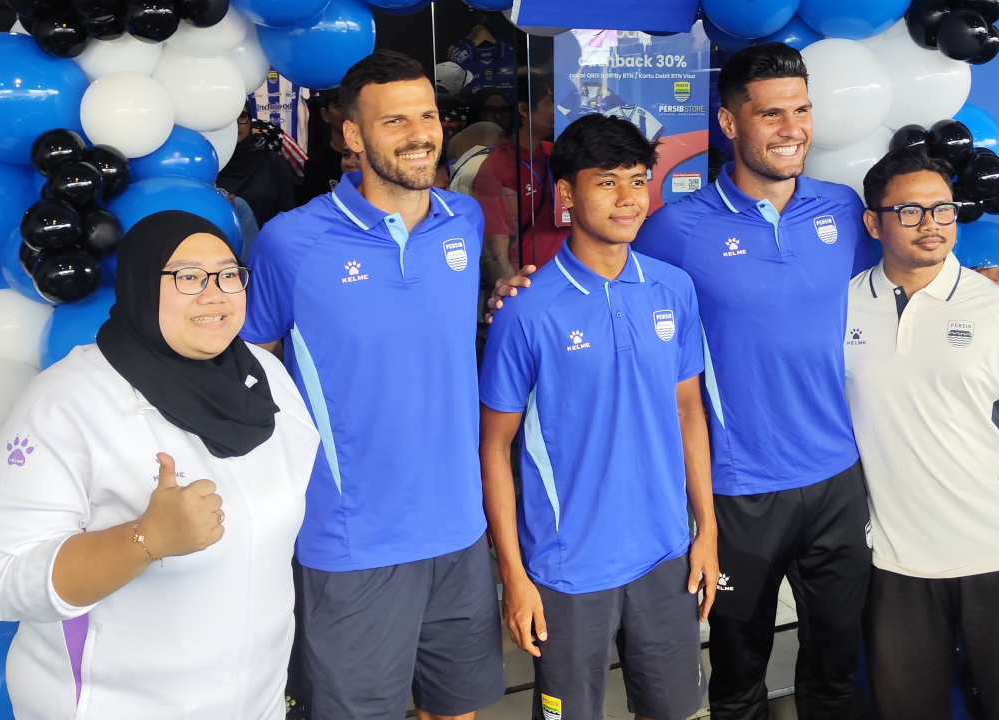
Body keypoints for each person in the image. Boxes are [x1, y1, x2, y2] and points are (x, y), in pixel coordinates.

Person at [489, 42, 999, 720]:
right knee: (738, 675)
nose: (792, 128)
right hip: (738, 490)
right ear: (729, 123)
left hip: (839, 480)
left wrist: (993, 280)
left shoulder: (843, 211)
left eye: (802, 110)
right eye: (771, 113)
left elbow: (917, 253)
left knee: (836, 668)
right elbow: (602, 266)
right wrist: (516, 288)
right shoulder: (673, 229)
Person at [0, 211, 320, 719]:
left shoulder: (266, 379)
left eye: (228, 274)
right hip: (112, 705)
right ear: (138, 284)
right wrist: (145, 539)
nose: (215, 293)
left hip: (253, 700)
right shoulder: (69, 400)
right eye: (189, 276)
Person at [241, 50, 504, 720]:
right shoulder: (289, 243)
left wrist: (509, 291)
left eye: (428, 114)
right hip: (352, 541)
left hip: (459, 529)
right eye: (395, 120)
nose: (421, 132)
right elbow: (252, 369)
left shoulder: (463, 221)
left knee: (458, 710)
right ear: (353, 135)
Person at [480, 114, 718, 720]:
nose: (627, 199)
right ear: (565, 193)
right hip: (567, 566)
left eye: (637, 181)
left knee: (673, 711)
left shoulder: (673, 289)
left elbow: (689, 406)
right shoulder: (526, 309)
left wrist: (706, 528)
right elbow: (495, 447)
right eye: (607, 181)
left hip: (665, 553)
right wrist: (513, 571)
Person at [847, 148, 999, 719]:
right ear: (874, 221)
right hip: (895, 566)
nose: (932, 226)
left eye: (943, 211)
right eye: (911, 212)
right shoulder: (842, 307)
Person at [472, 71, 566, 284]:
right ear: (523, 109)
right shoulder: (496, 168)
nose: (555, 110)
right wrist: (513, 296)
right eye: (549, 102)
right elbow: (498, 255)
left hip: (569, 275)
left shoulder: (555, 154)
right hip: (530, 282)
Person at [217, 104, 297, 227]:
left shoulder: (271, 162)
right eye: (227, 117)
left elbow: (289, 214)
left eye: (242, 116)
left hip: (269, 243)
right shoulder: (206, 166)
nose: (235, 123)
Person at [300, 90, 348, 202]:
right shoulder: (316, 165)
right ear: (325, 114)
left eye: (351, 103)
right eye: (339, 105)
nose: (346, 111)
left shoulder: (373, 158)